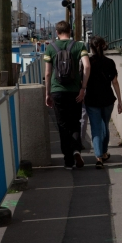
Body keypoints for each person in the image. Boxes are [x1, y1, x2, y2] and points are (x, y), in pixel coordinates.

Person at [44, 21, 90, 170]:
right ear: (70, 31)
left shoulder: (51, 48)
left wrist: (48, 93)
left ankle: (68, 161)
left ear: (57, 33)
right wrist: (83, 87)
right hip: (74, 91)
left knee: (62, 126)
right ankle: (76, 150)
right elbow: (87, 66)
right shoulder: (79, 46)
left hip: (57, 91)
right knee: (75, 122)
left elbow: (47, 73)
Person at [85, 36, 122, 169]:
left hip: (91, 100)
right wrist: (120, 100)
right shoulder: (110, 62)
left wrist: (82, 90)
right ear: (104, 46)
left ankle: (99, 157)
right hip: (107, 99)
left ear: (91, 47)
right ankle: (105, 152)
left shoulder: (87, 62)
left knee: (95, 128)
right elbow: (115, 82)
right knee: (104, 126)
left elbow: (82, 80)